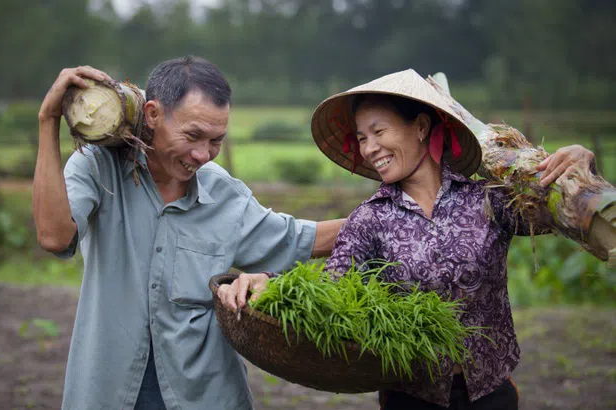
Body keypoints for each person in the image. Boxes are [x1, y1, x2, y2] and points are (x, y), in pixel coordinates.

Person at [218, 69, 597, 410]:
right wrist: (270, 285)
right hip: (411, 398)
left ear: (420, 127)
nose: (369, 149)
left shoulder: (487, 198)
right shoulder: (370, 218)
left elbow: (563, 215)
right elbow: (330, 292)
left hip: (491, 392)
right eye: (363, 138)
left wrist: (580, 167)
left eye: (379, 132)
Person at [33, 56, 345, 410]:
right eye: (193, 135)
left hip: (205, 396)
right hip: (108, 389)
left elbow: (299, 239)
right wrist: (48, 121)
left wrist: (386, 218)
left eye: (216, 141)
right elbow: (55, 237)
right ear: (152, 114)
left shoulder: (225, 195)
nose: (203, 154)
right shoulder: (98, 166)